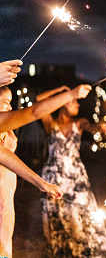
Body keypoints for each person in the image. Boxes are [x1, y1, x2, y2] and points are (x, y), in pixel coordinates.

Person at [38, 85, 106, 258]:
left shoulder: (78, 122)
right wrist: (60, 91)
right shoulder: (51, 124)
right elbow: (39, 101)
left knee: (83, 214)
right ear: (64, 103)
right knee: (56, 218)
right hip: (53, 178)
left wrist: (100, 127)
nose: (78, 105)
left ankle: (85, 252)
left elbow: (91, 127)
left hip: (76, 179)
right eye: (74, 102)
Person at [0, 86, 63, 257]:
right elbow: (35, 111)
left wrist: (41, 183)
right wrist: (70, 94)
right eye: (6, 101)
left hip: (6, 199)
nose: (10, 106)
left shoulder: (8, 126)